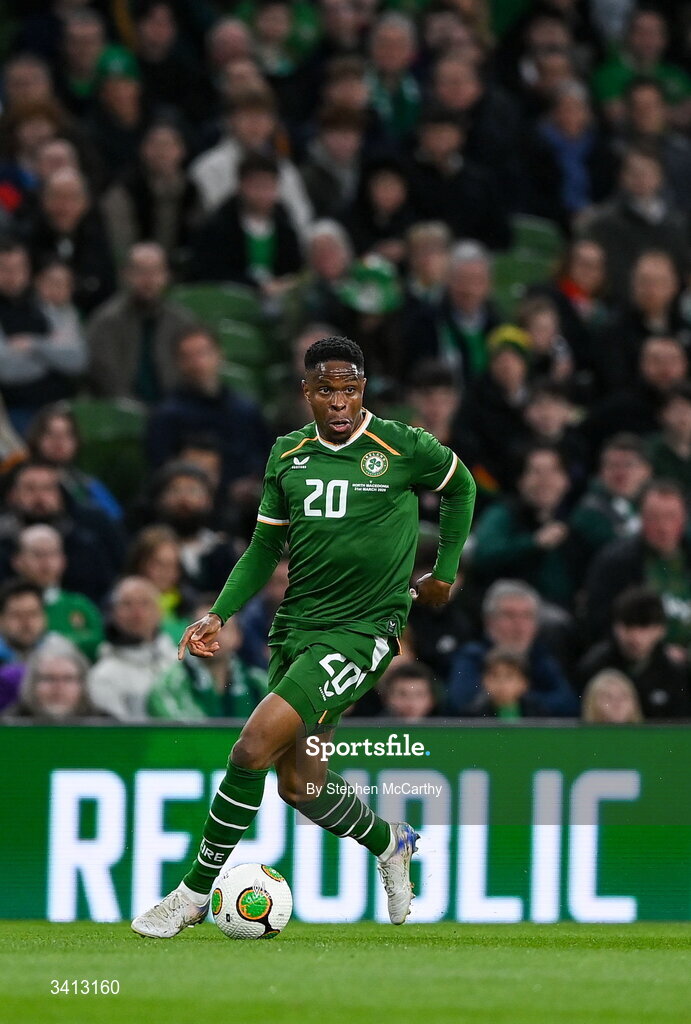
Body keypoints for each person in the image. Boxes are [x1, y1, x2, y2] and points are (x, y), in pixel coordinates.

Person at [131, 333, 476, 938]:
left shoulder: (401, 445)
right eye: (326, 390)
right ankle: (391, 840)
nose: (339, 402)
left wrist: (444, 572)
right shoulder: (288, 455)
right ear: (307, 393)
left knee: (249, 749)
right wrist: (220, 612)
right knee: (302, 785)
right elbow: (265, 546)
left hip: (364, 628)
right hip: (298, 629)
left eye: (349, 389)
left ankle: (191, 894)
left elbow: (461, 488)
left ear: (362, 390)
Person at [146, 326, 270, 492]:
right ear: (177, 364)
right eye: (187, 357)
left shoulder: (245, 410)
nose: (197, 364)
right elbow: (162, 471)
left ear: (220, 355)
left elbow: (266, 459)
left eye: (202, 353)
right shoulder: (166, 416)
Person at [446, 579, 577, 716]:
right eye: (510, 615)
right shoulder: (473, 655)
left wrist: (518, 698)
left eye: (527, 616)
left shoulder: (541, 656)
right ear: (489, 621)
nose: (519, 625)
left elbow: (568, 704)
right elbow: (460, 703)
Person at [86, 242, 195, 402]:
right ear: (126, 274)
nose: (148, 279)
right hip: (120, 415)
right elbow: (106, 379)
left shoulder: (183, 322)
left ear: (166, 276)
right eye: (140, 271)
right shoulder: (106, 322)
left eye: (155, 271)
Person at [585, 480, 691, 643]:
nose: (664, 527)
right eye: (654, 517)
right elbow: (600, 624)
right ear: (641, 518)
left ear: (684, 518)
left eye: (671, 516)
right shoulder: (615, 562)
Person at [188, 153, 303, 289]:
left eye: (268, 186)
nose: (262, 194)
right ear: (241, 186)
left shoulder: (285, 224)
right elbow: (212, 271)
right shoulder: (219, 225)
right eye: (256, 186)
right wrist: (256, 286)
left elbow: (294, 267)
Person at [578, 585, 690, 719]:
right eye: (628, 626)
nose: (635, 637)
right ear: (615, 626)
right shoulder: (593, 667)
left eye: (645, 627)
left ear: (661, 630)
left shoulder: (676, 674)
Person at [148, 601, 267, 720]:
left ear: (238, 636)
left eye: (222, 627)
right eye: (202, 628)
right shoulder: (168, 685)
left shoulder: (259, 683)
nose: (213, 635)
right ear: (189, 635)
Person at [88, 576, 178, 720]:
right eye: (127, 604)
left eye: (145, 603)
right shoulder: (103, 675)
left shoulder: (179, 663)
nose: (137, 613)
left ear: (159, 612)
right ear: (113, 612)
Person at [10, 523, 103, 661]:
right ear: (17, 561)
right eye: (37, 554)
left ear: (63, 561)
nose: (46, 562)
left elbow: (98, 643)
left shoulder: (80, 605)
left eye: (52, 554)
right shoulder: (6, 604)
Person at [570, 434, 652, 559]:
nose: (620, 473)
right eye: (613, 465)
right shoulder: (589, 513)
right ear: (601, 472)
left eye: (628, 465)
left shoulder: (656, 503)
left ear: (646, 471)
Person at [2, 634, 108, 721]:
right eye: (48, 678)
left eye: (68, 679)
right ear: (31, 683)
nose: (58, 687)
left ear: (83, 683)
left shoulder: (107, 725)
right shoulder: (9, 724)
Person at [463, 648, 548, 719]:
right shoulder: (473, 715)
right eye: (494, 675)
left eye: (509, 676)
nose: (501, 682)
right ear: (484, 680)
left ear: (524, 683)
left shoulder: (538, 713)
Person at [647, 383, 691, 498]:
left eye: (688, 409)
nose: (683, 416)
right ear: (662, 414)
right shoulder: (649, 450)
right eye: (677, 409)